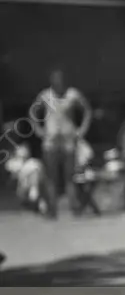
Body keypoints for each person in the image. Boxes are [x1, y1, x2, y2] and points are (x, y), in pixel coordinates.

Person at [31, 69, 92, 219]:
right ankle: (52, 209)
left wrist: (82, 129)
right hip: (50, 142)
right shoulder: (46, 95)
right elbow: (33, 112)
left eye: (61, 79)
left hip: (68, 141)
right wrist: (38, 129)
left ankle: (74, 208)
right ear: (51, 80)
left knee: (69, 176)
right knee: (51, 177)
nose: (59, 82)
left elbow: (87, 110)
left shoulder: (72, 95)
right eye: (56, 79)